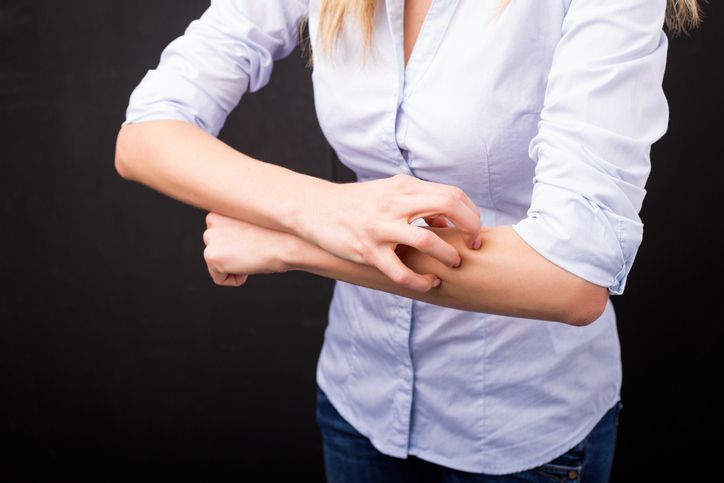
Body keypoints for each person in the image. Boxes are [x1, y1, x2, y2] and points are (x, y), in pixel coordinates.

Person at [114, 1, 700, 481]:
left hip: (524, 432)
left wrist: (292, 243)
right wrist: (317, 209)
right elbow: (145, 134)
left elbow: (571, 279)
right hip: (359, 398)